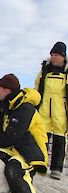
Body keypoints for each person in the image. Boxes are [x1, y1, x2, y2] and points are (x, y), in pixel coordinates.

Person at [34, 41, 67, 180]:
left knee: (60, 138)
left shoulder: (66, 72)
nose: (53, 57)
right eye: (52, 54)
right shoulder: (44, 70)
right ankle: (41, 165)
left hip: (61, 109)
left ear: (63, 56)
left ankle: (56, 169)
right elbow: (36, 87)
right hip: (44, 108)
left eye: (56, 55)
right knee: (42, 137)